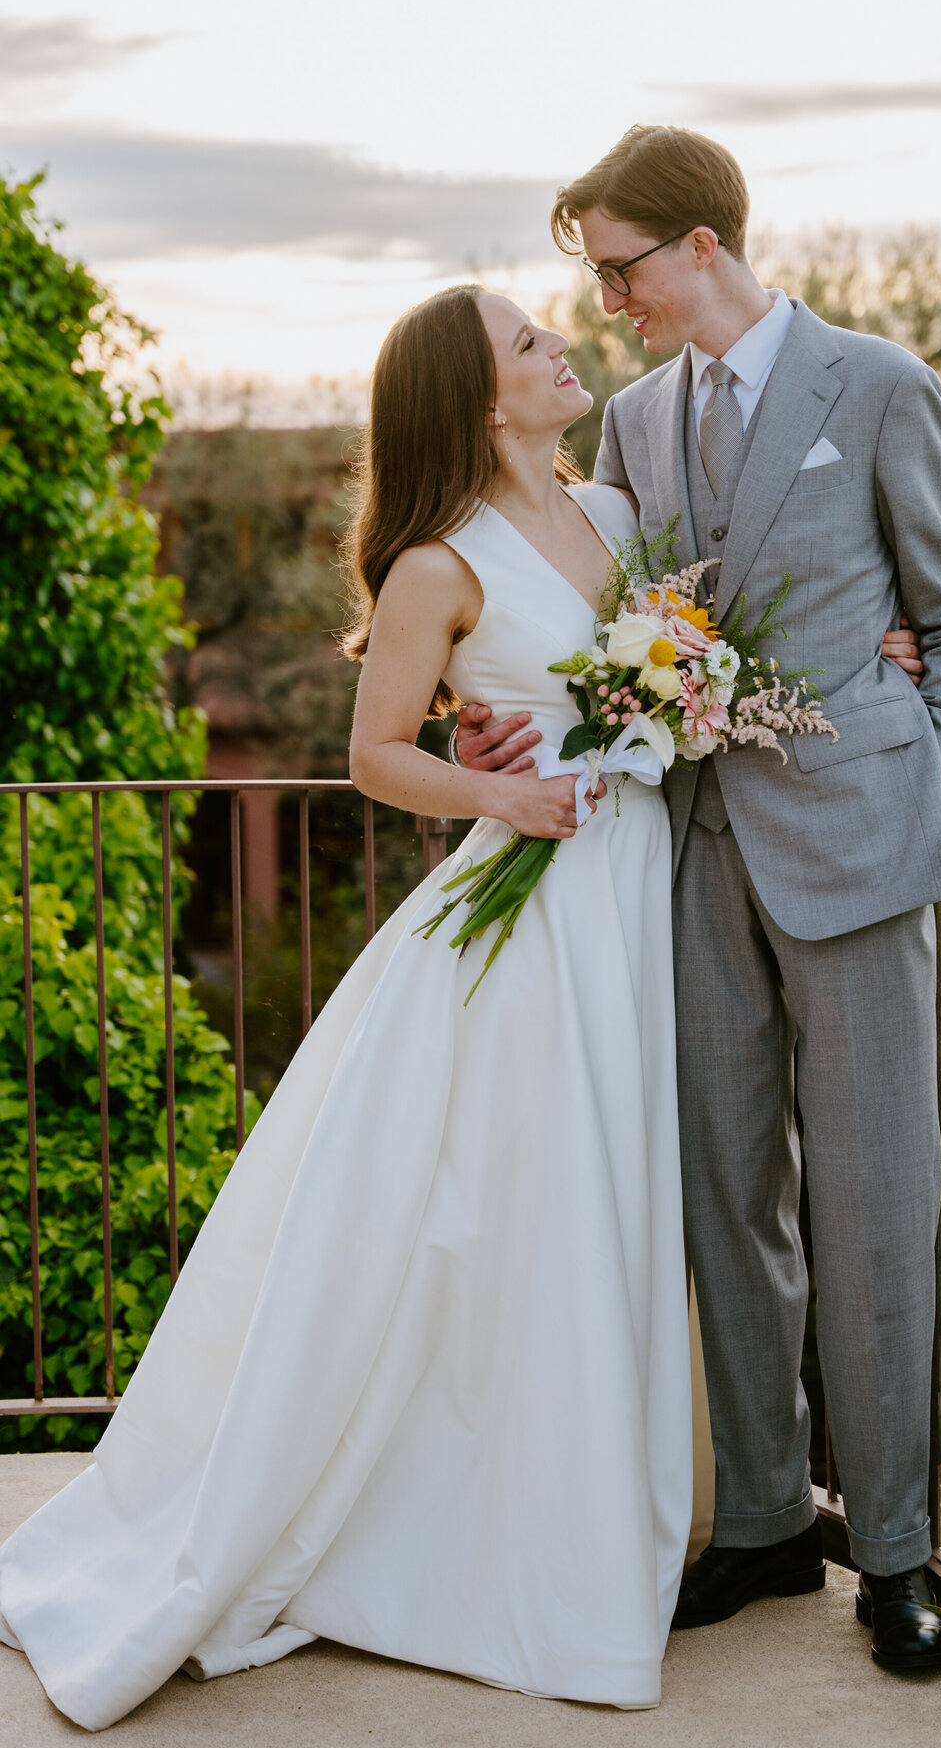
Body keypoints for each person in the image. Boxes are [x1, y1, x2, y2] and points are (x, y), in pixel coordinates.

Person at [0, 285, 696, 1729]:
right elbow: (380, 753)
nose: (559, 345)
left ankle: (574, 1507)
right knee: (520, 1202)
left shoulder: (622, 515)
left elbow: (684, 661)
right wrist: (503, 793)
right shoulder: (441, 565)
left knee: (606, 1190)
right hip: (537, 909)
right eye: (525, 342)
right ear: (478, 401)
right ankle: (482, 1541)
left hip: (637, 887)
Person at [455, 124, 941, 1674]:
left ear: (702, 244)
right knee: (724, 1199)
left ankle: (893, 1555)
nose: (608, 301)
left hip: (865, 850)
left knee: (878, 1207)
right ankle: (764, 1520)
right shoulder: (635, 420)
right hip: (688, 861)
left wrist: (936, 775)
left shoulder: (879, 386)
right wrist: (490, 725)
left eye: (620, 267)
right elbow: (595, 618)